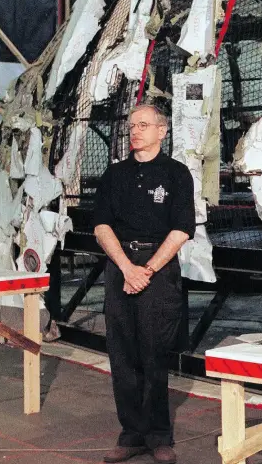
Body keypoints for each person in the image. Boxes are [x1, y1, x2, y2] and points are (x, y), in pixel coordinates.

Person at [93, 104, 195, 464]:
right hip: (120, 266)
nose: (135, 131)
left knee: (154, 352)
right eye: (132, 125)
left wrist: (146, 270)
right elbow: (101, 226)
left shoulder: (177, 175)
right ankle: (132, 433)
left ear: (162, 131)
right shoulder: (114, 175)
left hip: (158, 268)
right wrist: (126, 268)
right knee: (122, 354)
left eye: (144, 125)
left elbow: (182, 230)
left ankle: (159, 435)